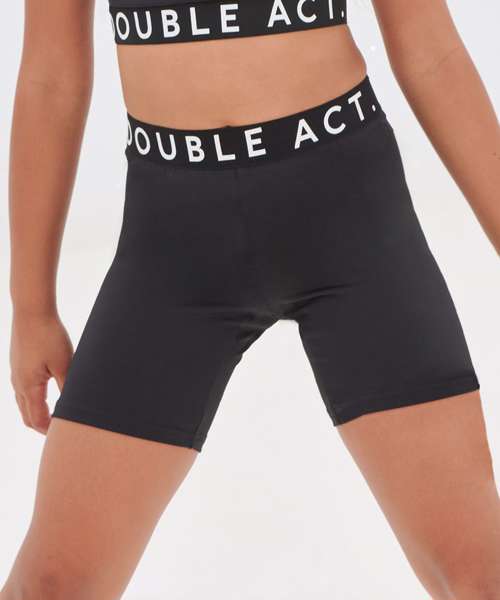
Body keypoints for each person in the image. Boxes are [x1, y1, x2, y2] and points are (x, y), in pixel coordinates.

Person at [4, 0, 500, 598]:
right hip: (172, 247)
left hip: (348, 218)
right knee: (50, 586)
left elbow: (433, 52)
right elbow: (50, 76)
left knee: (483, 576)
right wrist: (31, 306)